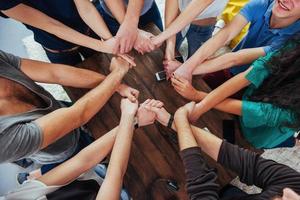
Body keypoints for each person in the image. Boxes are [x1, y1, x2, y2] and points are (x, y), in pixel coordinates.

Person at [0, 50, 139, 175]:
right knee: (102, 161)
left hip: (61, 109)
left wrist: (117, 85)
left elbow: (55, 73)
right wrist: (117, 73)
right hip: (65, 147)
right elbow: (78, 115)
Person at [1, 98, 164, 200]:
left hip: (93, 182)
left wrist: (134, 121)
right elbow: (114, 176)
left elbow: (81, 161)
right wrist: (128, 118)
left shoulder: (15, 198)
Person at [143, 99, 300, 199]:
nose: (286, 192)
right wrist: (172, 121)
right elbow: (244, 161)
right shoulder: (295, 185)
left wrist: (179, 118)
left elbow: (201, 190)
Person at [170, 35, 300, 148]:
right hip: (258, 100)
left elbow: (258, 111)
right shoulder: (294, 46)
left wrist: (198, 96)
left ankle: (292, 142)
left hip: (258, 133)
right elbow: (249, 75)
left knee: (258, 142)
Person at [165, 0, 300, 83]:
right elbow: (225, 34)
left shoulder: (294, 41)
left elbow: (236, 58)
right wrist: (187, 68)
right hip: (228, 68)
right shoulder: (263, 4)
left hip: (252, 85)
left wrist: (185, 68)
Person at [0, 0, 134, 65]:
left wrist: (109, 40)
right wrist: (104, 46)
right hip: (58, 47)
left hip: (87, 28)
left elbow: (85, 7)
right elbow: (52, 26)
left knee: (104, 65)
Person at [152, 0, 228, 66]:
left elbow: (203, 2)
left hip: (203, 25)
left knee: (196, 60)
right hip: (176, 16)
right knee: (169, 51)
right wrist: (170, 45)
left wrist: (161, 37)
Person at [98, 0, 163, 54]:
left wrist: (130, 29)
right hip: (115, 14)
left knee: (160, 49)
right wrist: (129, 29)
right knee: (125, 56)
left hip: (147, 8)